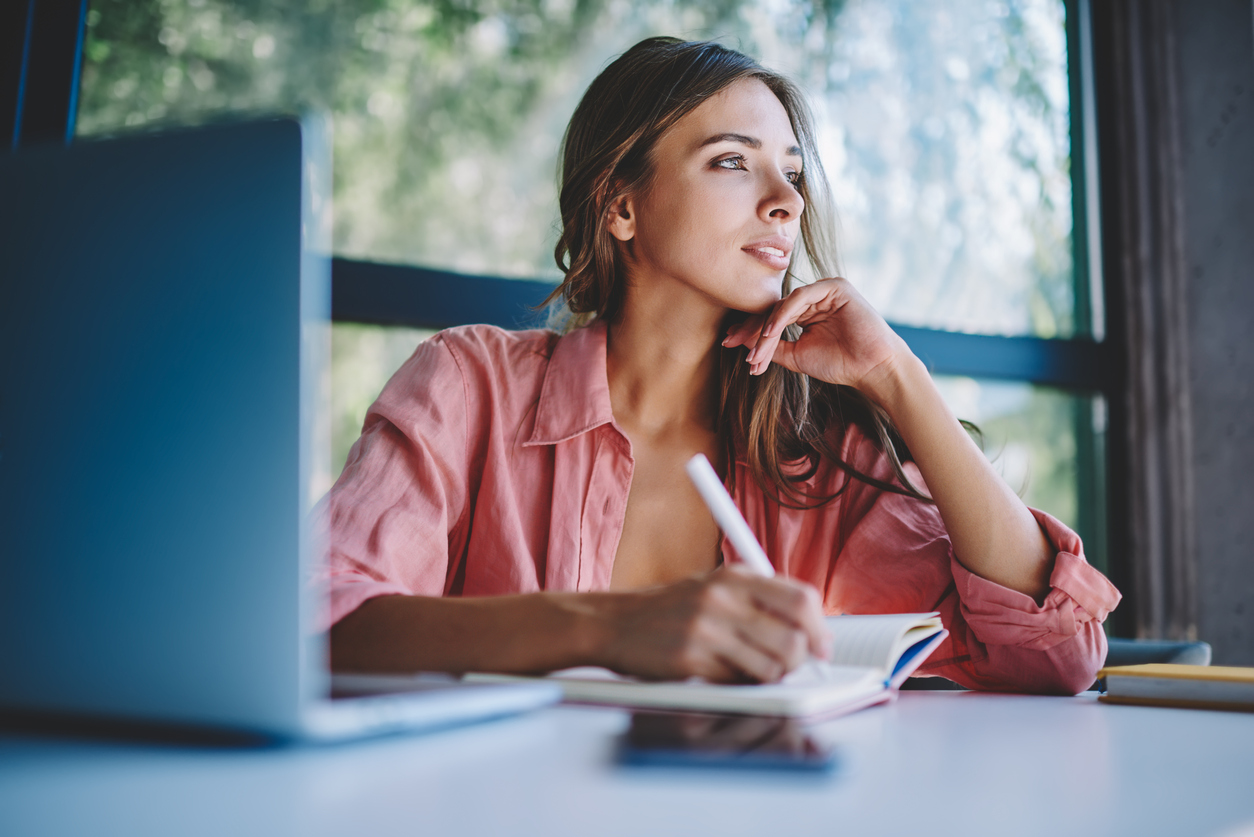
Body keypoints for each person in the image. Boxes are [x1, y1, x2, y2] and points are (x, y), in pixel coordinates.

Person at [324, 37, 1120, 693]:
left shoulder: (813, 450)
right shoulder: (469, 386)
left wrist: (896, 375)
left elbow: (1055, 653)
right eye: (734, 162)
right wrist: (605, 626)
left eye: (794, 173)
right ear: (621, 204)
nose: (786, 200)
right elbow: (317, 621)